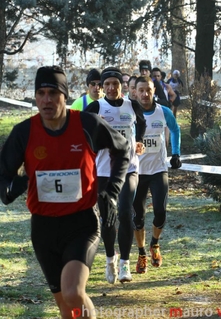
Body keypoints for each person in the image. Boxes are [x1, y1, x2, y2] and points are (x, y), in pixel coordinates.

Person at [0, 65, 130, 319]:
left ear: (65, 97)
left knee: (73, 293)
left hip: (81, 223)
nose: (46, 100)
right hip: (43, 229)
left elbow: (122, 149)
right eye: (41, 93)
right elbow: (3, 177)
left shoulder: (87, 124)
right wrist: (18, 184)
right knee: (66, 307)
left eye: (53, 93)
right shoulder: (24, 133)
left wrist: (111, 191)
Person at [86, 67, 146, 284]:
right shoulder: (96, 107)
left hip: (129, 168)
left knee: (125, 212)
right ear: (102, 87)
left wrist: (139, 140)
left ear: (121, 85)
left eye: (115, 84)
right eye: (107, 84)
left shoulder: (132, 105)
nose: (111, 88)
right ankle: (111, 258)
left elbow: (142, 123)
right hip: (102, 172)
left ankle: (125, 265)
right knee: (108, 218)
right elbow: (84, 131)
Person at [133, 76, 182, 275]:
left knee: (160, 211)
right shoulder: (129, 112)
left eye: (149, 90)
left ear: (154, 91)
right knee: (138, 217)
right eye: (141, 90)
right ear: (135, 92)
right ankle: (142, 253)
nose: (145, 94)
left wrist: (176, 153)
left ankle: (155, 244)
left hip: (158, 169)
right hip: (136, 172)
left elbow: (175, 129)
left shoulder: (164, 111)